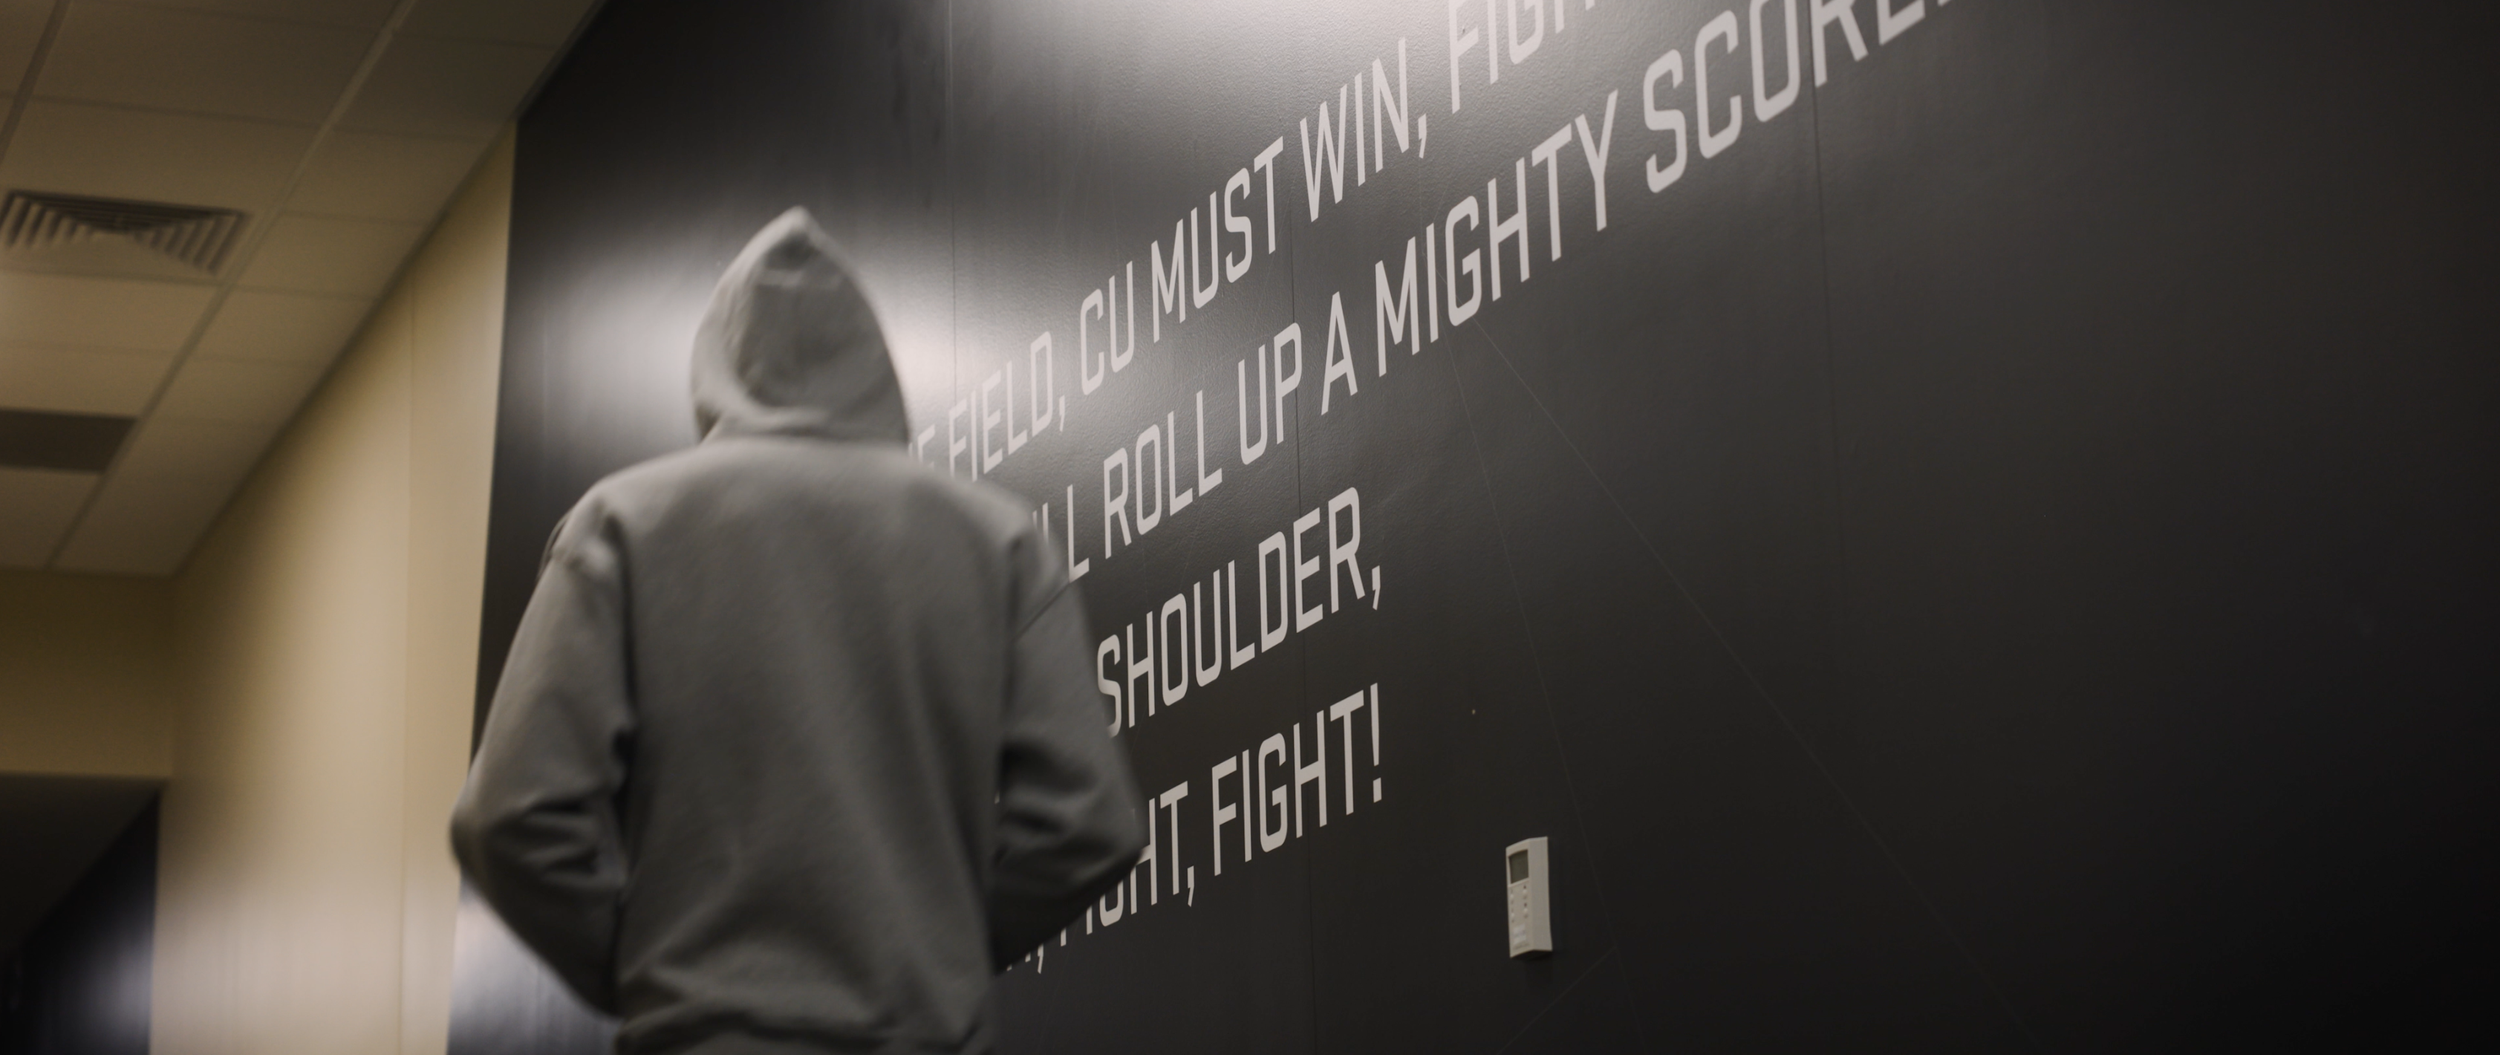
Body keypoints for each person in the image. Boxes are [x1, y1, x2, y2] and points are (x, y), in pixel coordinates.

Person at [451, 208, 1145, 1055]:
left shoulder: (623, 526)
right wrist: (938, 958)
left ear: (718, 364)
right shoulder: (999, 538)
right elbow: (1090, 825)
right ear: (874, 363)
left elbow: (511, 818)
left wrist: (640, 967)